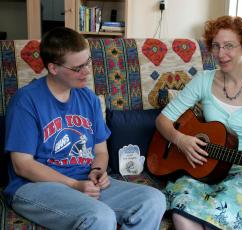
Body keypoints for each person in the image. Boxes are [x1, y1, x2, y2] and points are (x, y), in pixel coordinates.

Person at [4, 27, 166, 230]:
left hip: (84, 181)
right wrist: (73, 186)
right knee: (100, 216)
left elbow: (100, 151)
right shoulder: (26, 101)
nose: (87, 72)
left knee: (153, 200)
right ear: (53, 68)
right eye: (78, 68)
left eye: (88, 62)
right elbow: (22, 165)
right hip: (33, 187)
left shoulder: (89, 98)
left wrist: (97, 171)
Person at [156, 16, 242, 230]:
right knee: (182, 213)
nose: (221, 54)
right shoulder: (204, 80)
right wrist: (180, 139)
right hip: (204, 168)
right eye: (216, 46)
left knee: (218, 211)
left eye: (229, 46)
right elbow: (162, 120)